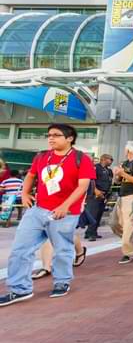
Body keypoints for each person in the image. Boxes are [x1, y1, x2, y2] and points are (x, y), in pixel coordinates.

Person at [0, 124, 95, 307]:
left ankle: (62, 281)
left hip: (65, 213)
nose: (51, 138)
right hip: (38, 210)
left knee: (62, 249)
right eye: (49, 135)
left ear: (70, 138)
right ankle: (19, 289)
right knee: (21, 248)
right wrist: (25, 193)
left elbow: (82, 186)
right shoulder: (42, 156)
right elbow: (31, 175)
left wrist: (65, 206)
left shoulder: (80, 159)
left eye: (56, 135)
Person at [110, 141, 133, 264]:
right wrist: (117, 174)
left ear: (128, 151)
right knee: (114, 222)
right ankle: (129, 238)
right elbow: (118, 181)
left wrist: (123, 173)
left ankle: (128, 253)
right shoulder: (125, 163)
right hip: (122, 195)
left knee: (128, 225)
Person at [84, 154, 113, 241]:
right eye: (110, 159)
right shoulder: (96, 168)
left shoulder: (109, 171)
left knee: (99, 214)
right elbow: (91, 180)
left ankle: (93, 232)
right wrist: (95, 190)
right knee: (93, 214)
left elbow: (110, 182)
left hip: (104, 195)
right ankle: (90, 233)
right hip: (94, 195)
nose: (111, 161)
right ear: (104, 159)